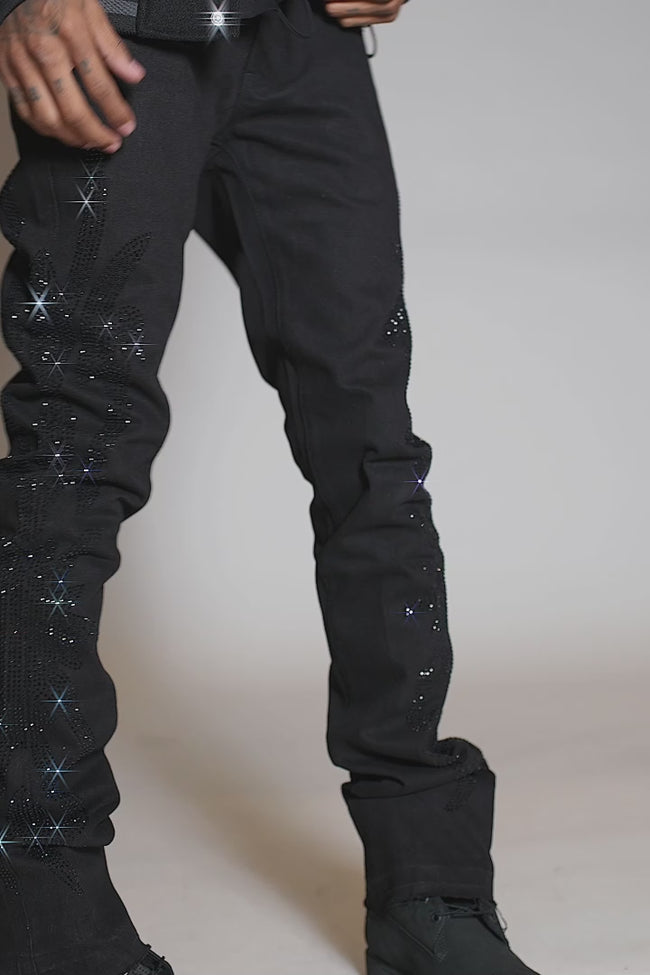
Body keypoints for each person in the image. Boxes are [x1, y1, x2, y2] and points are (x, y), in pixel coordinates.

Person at [0, 1, 542, 973]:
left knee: (371, 450)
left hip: (301, 38)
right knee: (74, 459)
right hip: (117, 27)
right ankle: (46, 919)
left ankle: (428, 884)